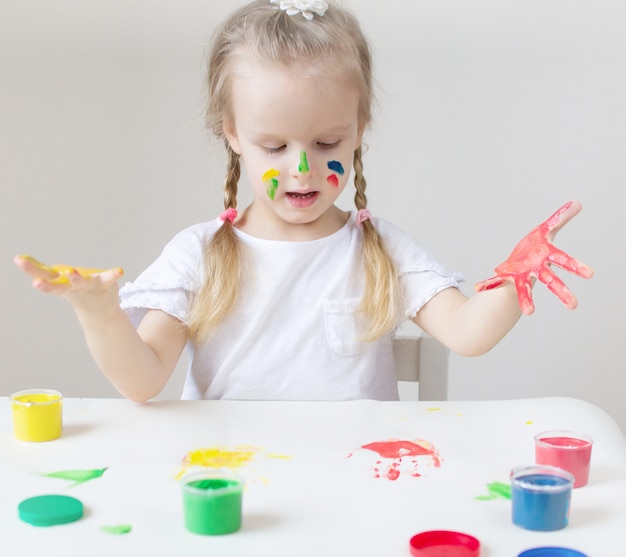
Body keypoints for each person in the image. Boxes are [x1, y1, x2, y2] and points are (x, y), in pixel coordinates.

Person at [14, 0, 593, 403]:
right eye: (273, 145)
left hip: (357, 485)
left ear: (360, 127)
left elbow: (468, 333)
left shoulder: (381, 249)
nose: (301, 168)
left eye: (326, 143)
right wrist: (99, 313)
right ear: (232, 133)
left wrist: (516, 276)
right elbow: (142, 383)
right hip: (234, 485)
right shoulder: (199, 254)